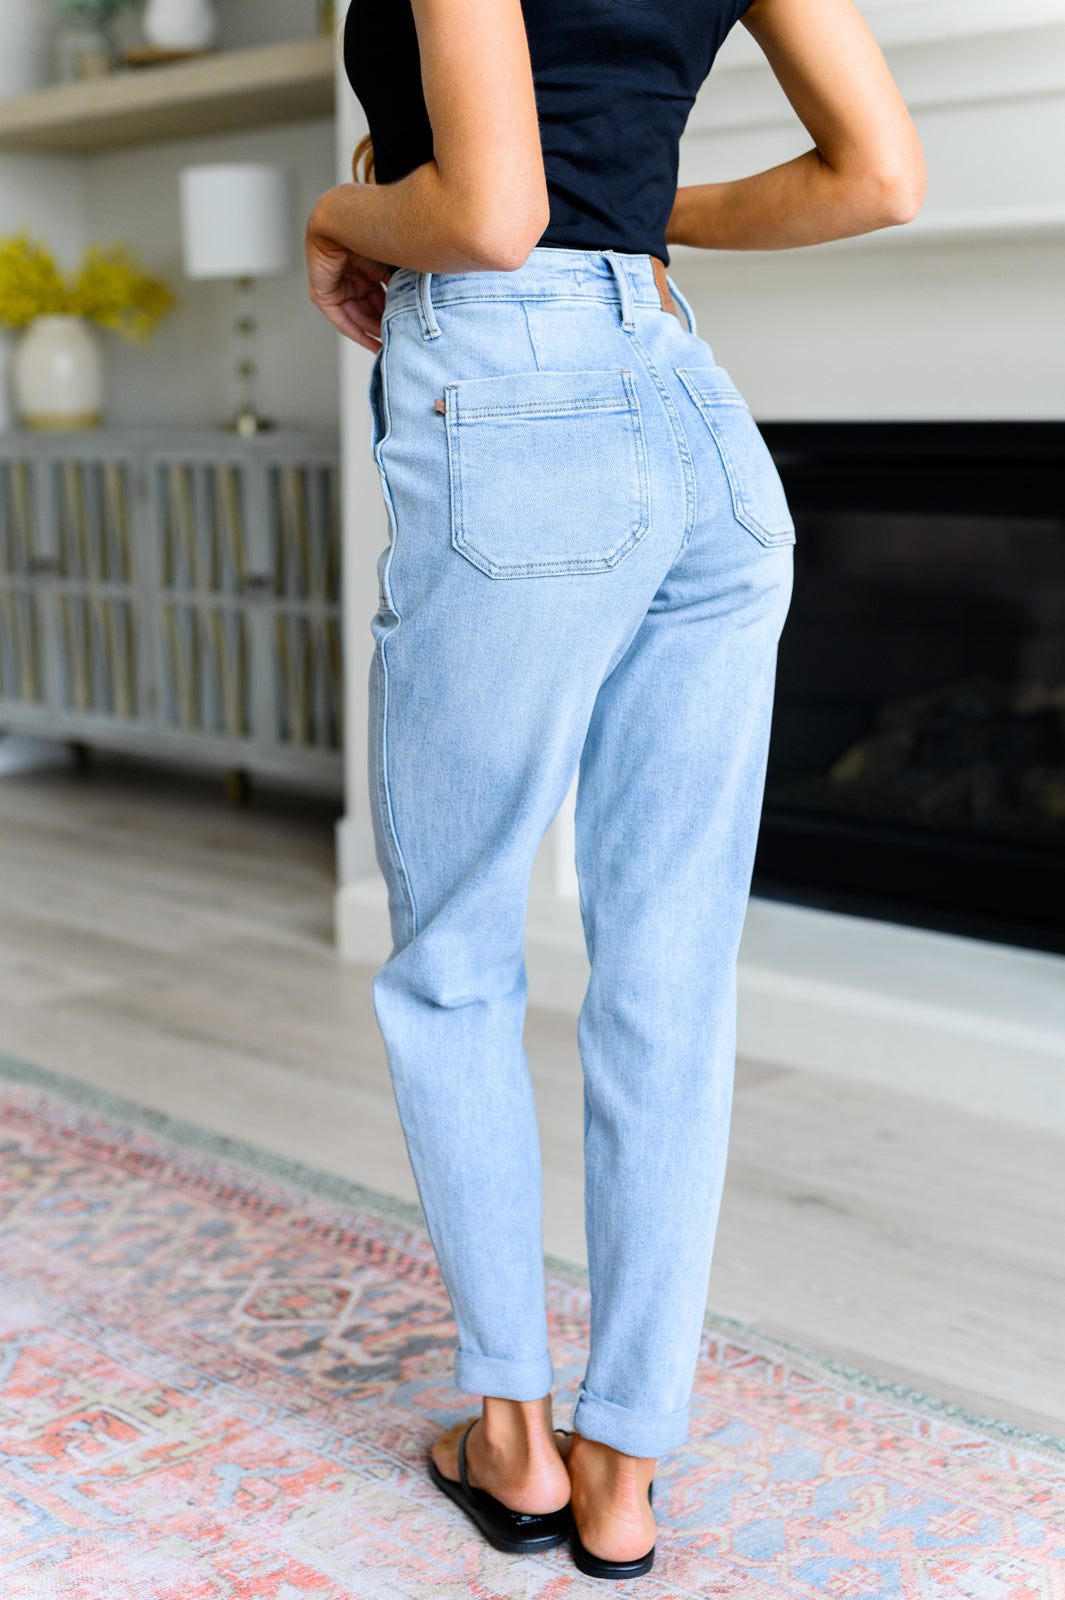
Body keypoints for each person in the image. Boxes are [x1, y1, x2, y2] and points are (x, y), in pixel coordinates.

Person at [306, 0, 924, 1578]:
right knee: (667, 981)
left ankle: (512, 1443)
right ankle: (625, 1467)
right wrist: (647, 217)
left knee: (453, 958)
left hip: (515, 398)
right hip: (693, 422)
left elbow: (490, 212)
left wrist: (333, 207)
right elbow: (877, 177)